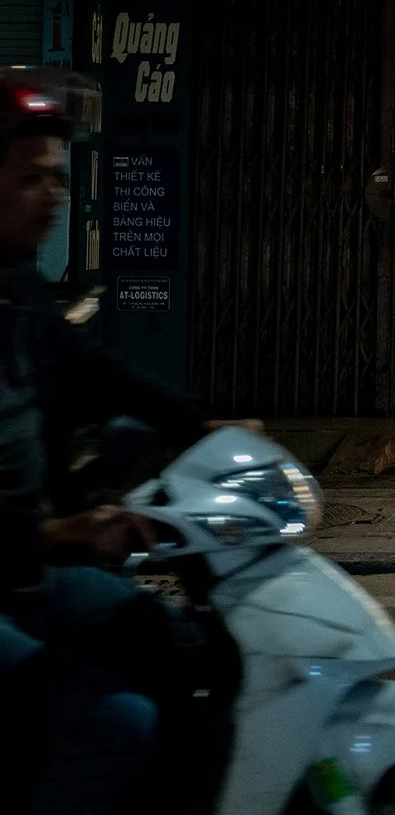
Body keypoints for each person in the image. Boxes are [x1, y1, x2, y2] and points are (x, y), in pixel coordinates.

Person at [0, 73, 238, 813]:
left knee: (173, 647)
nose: (53, 195)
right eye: (31, 179)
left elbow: (96, 374)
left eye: (58, 178)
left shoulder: (18, 294)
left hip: (26, 575)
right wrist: (61, 530)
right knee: (114, 724)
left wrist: (201, 427)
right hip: (14, 571)